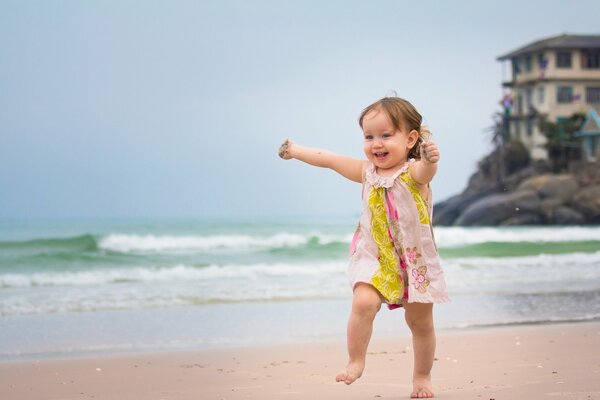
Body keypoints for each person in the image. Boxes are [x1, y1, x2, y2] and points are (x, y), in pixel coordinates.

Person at [278, 96, 449, 399]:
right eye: (369, 136)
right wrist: (295, 150)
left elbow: (426, 172)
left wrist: (429, 159)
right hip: (375, 256)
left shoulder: (413, 174)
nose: (376, 144)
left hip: (414, 262)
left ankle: (422, 376)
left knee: (420, 323)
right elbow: (328, 159)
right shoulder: (366, 172)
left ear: (410, 139)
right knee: (362, 303)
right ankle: (356, 360)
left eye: (386, 135)